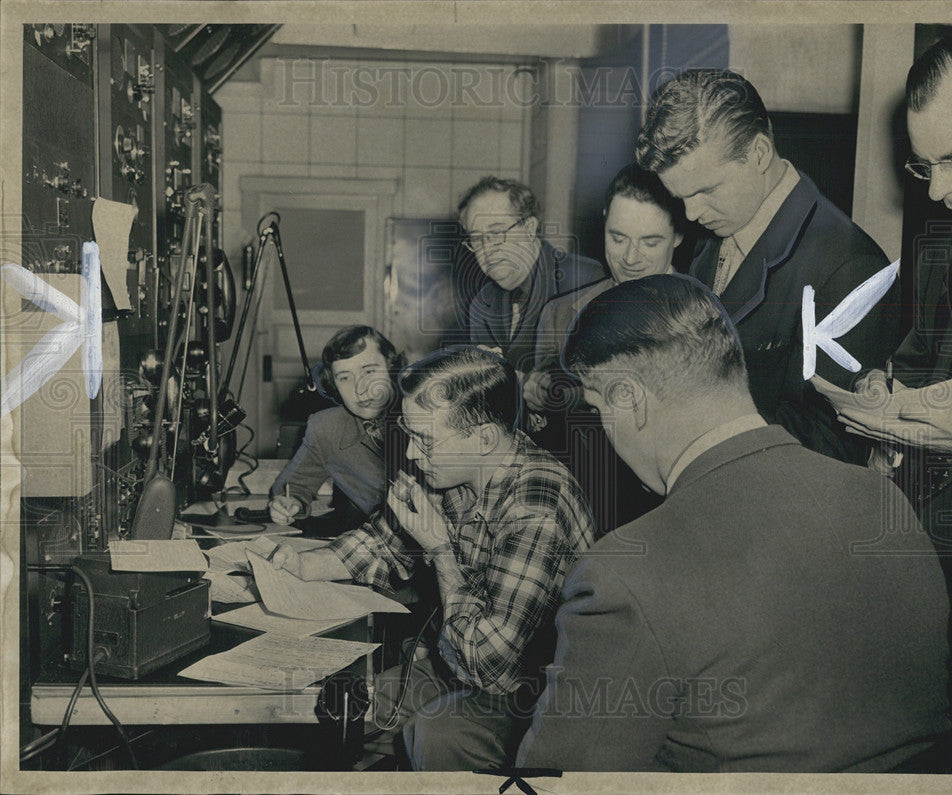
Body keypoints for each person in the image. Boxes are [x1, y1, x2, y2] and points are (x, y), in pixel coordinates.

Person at [516, 275, 952, 772]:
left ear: (629, 397)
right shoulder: (882, 500)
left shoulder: (623, 575)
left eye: (598, 410)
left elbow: (551, 781)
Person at [271, 346, 595, 770]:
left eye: (423, 440)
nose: (409, 455)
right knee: (335, 709)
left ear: (484, 438)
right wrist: (299, 565)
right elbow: (382, 540)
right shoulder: (448, 465)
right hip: (458, 659)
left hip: (530, 691)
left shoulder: (537, 505)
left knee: (434, 734)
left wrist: (440, 550)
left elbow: (488, 666)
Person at [824, 26, 952, 771]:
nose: (941, 191)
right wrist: (877, 385)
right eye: (925, 167)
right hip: (931, 565)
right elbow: (909, 363)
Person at [636, 69, 901, 465]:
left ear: (758, 153)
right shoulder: (717, 230)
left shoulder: (849, 264)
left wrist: (692, 432)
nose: (690, 214)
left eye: (705, 190)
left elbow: (837, 442)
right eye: (681, 196)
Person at [523, 163, 686, 531]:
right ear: (603, 224)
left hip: (668, 523)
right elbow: (542, 439)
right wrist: (532, 400)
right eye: (618, 237)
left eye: (650, 241)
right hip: (576, 525)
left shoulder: (706, 318)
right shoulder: (561, 314)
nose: (630, 257)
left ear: (678, 235)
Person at [460, 176, 605, 376]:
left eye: (496, 233)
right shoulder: (481, 305)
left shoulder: (584, 278)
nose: (487, 249)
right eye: (476, 238)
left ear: (529, 229)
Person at [267, 326, 405, 532]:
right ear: (333, 385)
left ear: (391, 369)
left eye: (369, 371)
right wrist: (289, 504)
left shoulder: (426, 415)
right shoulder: (327, 428)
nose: (360, 388)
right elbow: (293, 486)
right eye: (344, 378)